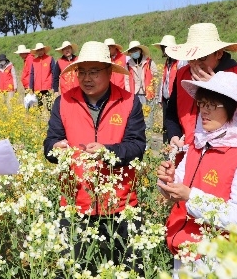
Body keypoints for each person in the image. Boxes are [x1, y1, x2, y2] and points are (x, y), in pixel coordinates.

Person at [44, 41, 147, 276]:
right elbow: (50, 144)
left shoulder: (129, 102)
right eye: (82, 72)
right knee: (74, 268)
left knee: (127, 268)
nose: (86, 78)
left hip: (120, 204)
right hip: (75, 202)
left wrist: (108, 152)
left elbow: (137, 147)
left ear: (109, 72)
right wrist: (55, 148)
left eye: (93, 72)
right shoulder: (63, 101)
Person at [156, 71, 237, 277]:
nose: (203, 111)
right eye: (201, 104)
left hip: (220, 262)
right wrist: (169, 181)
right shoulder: (197, 146)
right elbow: (179, 191)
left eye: (212, 105)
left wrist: (190, 196)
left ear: (234, 110)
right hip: (185, 251)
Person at [164, 23, 237, 165]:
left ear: (219, 53)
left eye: (202, 58)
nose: (195, 64)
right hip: (185, 155)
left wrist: (219, 87)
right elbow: (172, 113)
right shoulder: (182, 74)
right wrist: (174, 134)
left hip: (223, 157)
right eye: (191, 58)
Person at [152, 35, 187, 143]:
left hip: (176, 98)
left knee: (175, 122)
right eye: (163, 48)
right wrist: (160, 97)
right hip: (166, 98)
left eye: (166, 47)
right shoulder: (168, 62)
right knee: (166, 123)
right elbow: (164, 80)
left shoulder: (180, 61)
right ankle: (166, 145)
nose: (164, 50)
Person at [124, 40, 158, 105]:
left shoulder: (149, 62)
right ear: (130, 53)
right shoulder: (128, 65)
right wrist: (128, 95)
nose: (134, 52)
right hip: (135, 94)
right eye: (132, 51)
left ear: (140, 50)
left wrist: (156, 94)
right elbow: (127, 81)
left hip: (149, 94)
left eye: (136, 50)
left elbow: (156, 78)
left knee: (149, 113)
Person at [29, 42, 55, 107]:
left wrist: (53, 86)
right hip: (37, 88)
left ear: (44, 50)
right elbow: (32, 74)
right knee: (39, 107)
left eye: (41, 49)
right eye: (38, 50)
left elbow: (54, 73)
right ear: (36, 52)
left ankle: (51, 117)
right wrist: (31, 87)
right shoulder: (34, 61)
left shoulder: (50, 59)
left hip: (48, 87)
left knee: (50, 106)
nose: (40, 51)